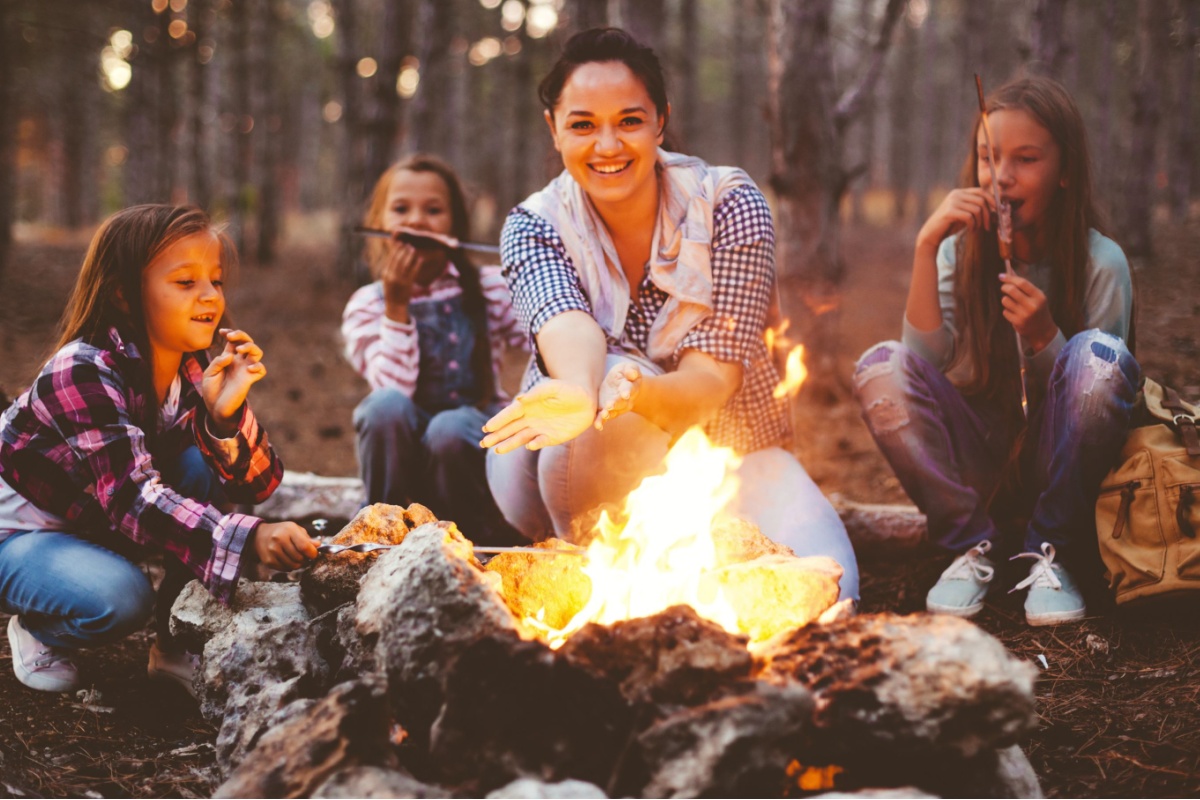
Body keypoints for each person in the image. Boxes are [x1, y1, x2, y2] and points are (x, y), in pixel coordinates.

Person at [481, 27, 859, 601]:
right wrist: (585, 390)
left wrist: (632, 394)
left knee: (835, 590)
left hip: (726, 445)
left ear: (661, 121)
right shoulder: (532, 225)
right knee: (593, 404)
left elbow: (712, 381)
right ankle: (586, 579)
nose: (607, 145)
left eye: (629, 121)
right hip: (559, 467)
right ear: (553, 128)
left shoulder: (729, 203)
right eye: (583, 124)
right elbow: (566, 323)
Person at [851, 75, 1139, 626]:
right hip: (983, 459)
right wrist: (926, 245)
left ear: (1065, 172)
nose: (1001, 176)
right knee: (879, 367)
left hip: (1067, 474)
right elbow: (917, 366)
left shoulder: (1102, 263)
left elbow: (1102, 404)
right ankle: (972, 545)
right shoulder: (959, 254)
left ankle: (1051, 548)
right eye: (988, 157)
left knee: (1096, 356)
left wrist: (1044, 338)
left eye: (1025, 159)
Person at [0, 204, 317, 694]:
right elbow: (132, 499)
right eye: (186, 283)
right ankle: (38, 628)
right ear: (125, 295)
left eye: (216, 280)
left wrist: (224, 417)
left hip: (87, 515)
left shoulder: (192, 370)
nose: (210, 296)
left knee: (200, 459)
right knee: (120, 596)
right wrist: (248, 538)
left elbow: (258, 483)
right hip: (16, 534)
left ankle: (174, 643)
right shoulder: (81, 370)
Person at [342, 154, 528, 544]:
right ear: (379, 224)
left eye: (433, 210)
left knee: (447, 428)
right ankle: (380, 532)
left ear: (455, 225)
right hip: (404, 457)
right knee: (383, 407)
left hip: (471, 448)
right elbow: (393, 390)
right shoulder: (367, 305)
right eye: (400, 209)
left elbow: (543, 337)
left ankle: (473, 539)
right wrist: (396, 306)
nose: (416, 220)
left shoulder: (491, 286)